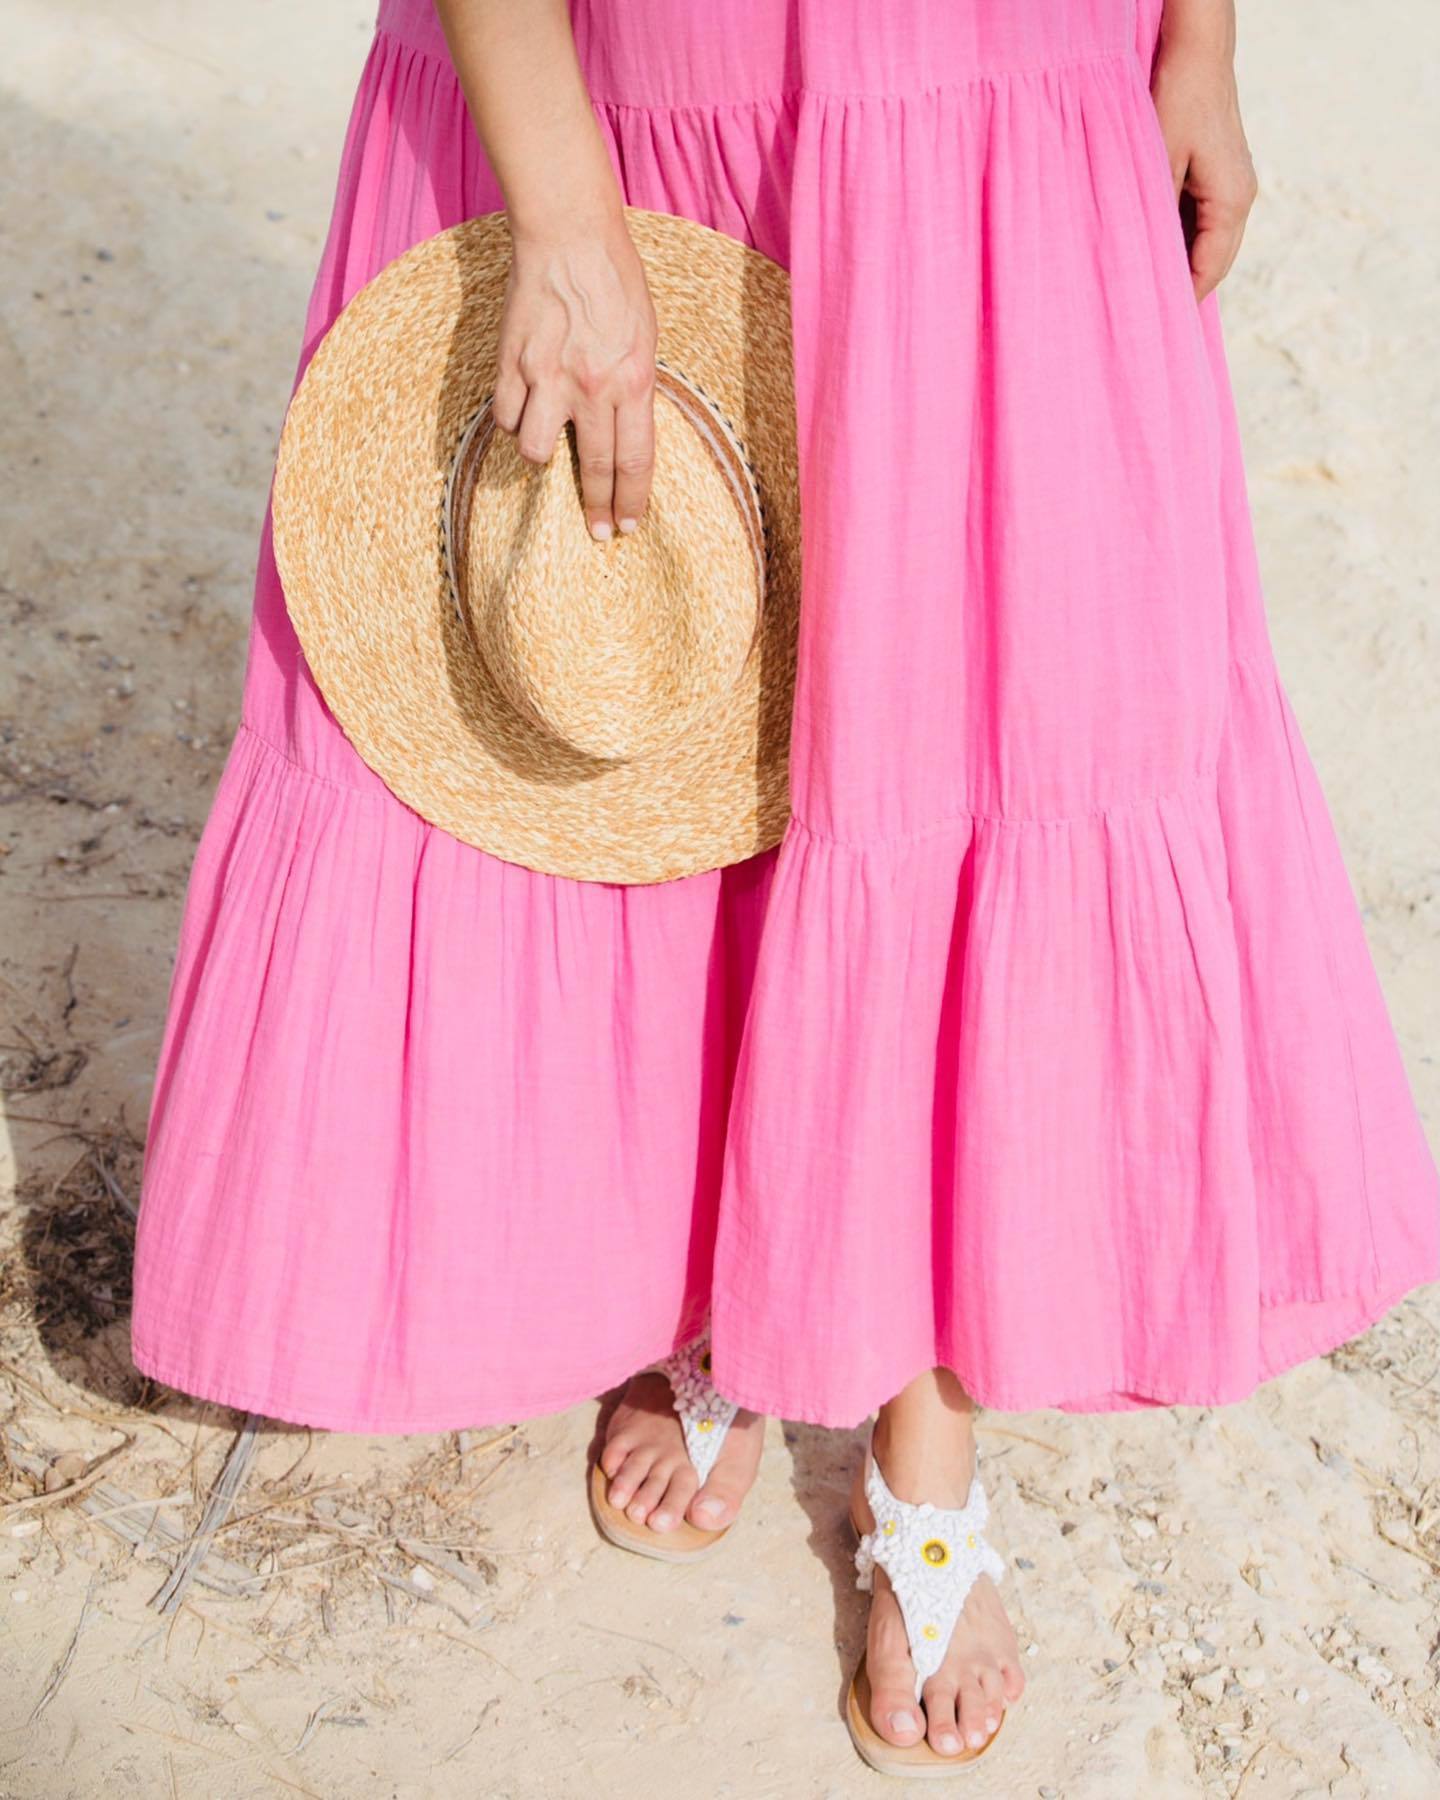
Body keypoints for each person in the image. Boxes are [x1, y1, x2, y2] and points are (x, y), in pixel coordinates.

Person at [130, 0, 1440, 1769]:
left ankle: (924, 1430)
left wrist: (1199, 35)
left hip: (1008, 69)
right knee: (675, 671)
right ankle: (726, 1278)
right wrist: (564, 217)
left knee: (979, 701)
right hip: (657, 61)